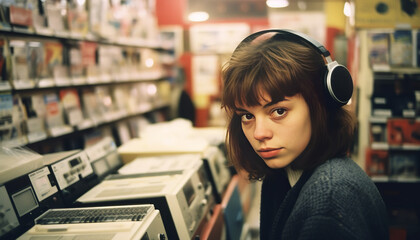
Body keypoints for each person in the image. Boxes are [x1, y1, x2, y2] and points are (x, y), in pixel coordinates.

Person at [221, 29, 389, 240]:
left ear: (321, 104)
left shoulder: (330, 202)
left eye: (279, 111)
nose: (259, 133)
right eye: (247, 116)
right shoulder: (285, 174)